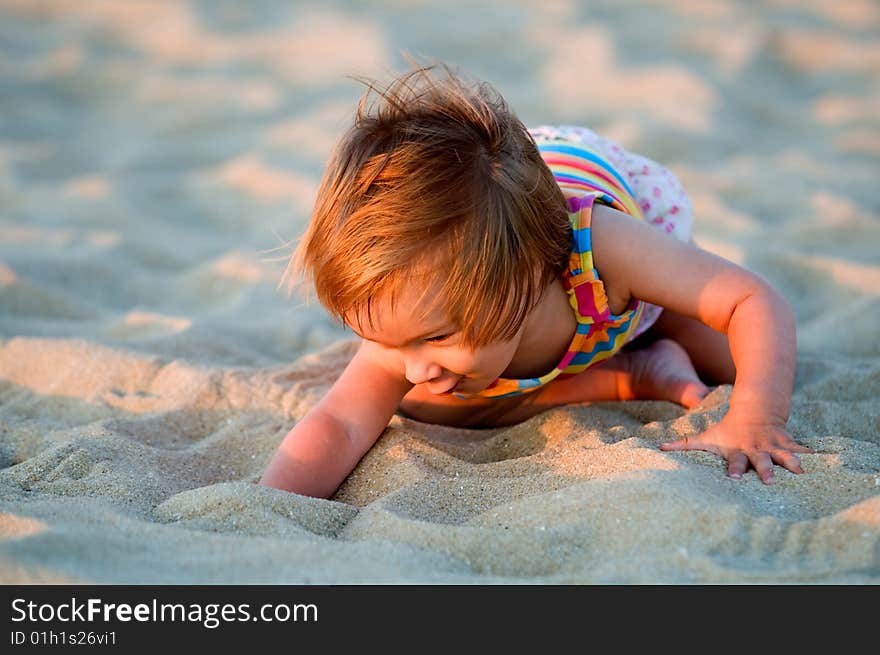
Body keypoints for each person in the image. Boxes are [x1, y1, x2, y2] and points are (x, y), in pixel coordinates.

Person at [259, 64, 811, 499]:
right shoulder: (419, 325)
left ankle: (647, 344)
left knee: (748, 360)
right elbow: (339, 423)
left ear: (523, 279)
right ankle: (628, 374)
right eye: (383, 337)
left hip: (619, 289)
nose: (414, 363)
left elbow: (752, 299)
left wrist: (757, 418)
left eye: (434, 336)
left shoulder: (609, 247)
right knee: (420, 402)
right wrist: (273, 503)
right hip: (504, 255)